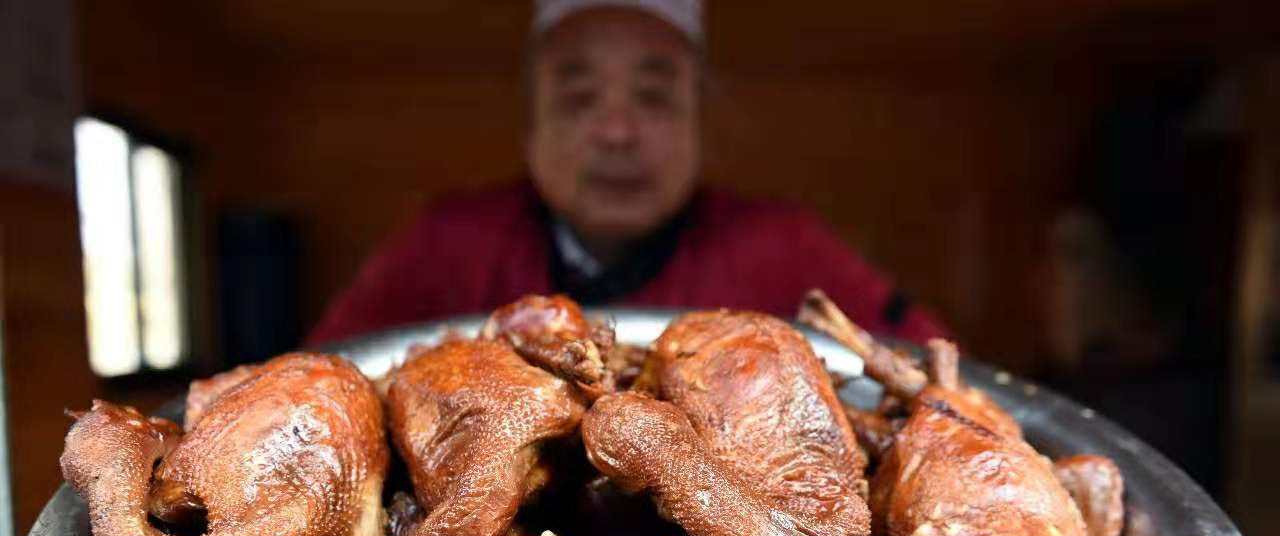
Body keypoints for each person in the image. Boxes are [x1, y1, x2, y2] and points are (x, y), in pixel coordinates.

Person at [308, 0, 947, 344]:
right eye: (579, 98)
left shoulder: (785, 248)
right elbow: (320, 380)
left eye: (655, 96)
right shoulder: (444, 244)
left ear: (700, 123)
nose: (617, 131)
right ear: (530, 129)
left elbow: (936, 376)